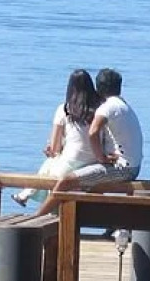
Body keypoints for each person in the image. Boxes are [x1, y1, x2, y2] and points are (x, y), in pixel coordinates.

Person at [39, 68, 142, 215]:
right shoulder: (124, 105)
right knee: (88, 184)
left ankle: (36, 220)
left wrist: (101, 158)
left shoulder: (106, 108)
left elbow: (93, 132)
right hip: (133, 165)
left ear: (98, 88)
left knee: (66, 181)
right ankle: (113, 224)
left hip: (122, 169)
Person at [12, 70, 102, 206]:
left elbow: (54, 148)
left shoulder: (64, 109)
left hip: (70, 164)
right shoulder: (101, 110)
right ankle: (25, 194)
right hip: (94, 163)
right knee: (52, 162)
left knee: (51, 161)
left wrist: (53, 148)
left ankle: (27, 194)